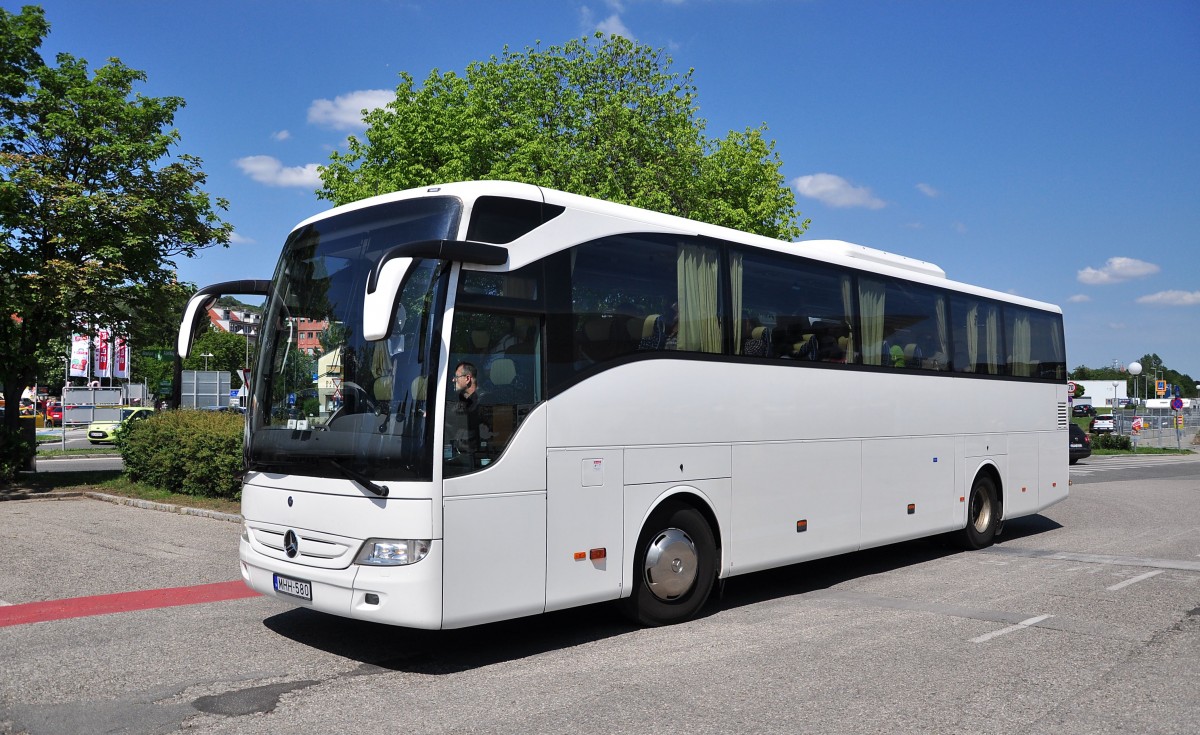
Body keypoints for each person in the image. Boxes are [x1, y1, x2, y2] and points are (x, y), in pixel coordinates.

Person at [446, 361, 486, 463]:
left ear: (467, 378)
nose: (453, 380)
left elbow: (466, 415)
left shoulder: (484, 400)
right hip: (460, 455)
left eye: (456, 376)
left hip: (476, 458)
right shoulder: (461, 399)